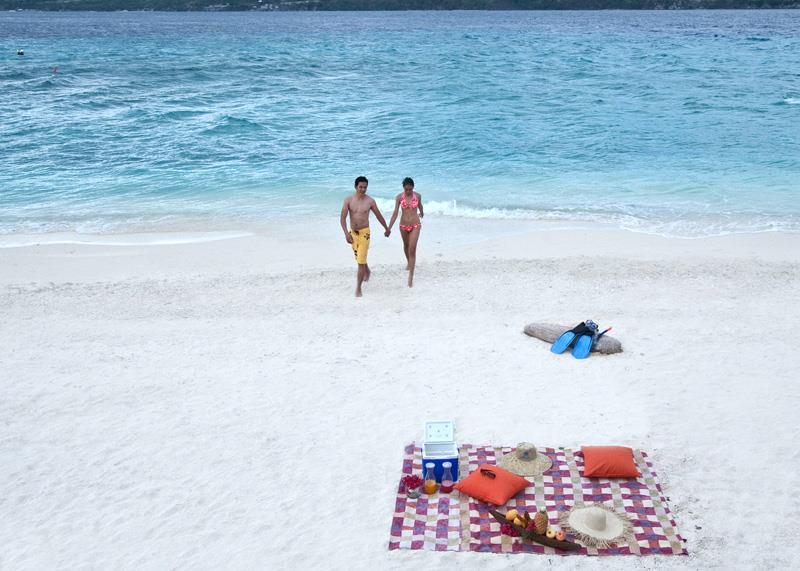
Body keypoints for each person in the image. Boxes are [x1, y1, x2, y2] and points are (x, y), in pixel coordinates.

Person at [340, 176, 390, 297]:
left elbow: (378, 215)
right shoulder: (348, 200)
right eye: (360, 187)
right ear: (355, 187)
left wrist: (386, 228)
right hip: (353, 233)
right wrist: (346, 234)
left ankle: (358, 288)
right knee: (359, 258)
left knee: (360, 261)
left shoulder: (370, 201)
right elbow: (342, 218)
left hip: (364, 233)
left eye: (365, 187)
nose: (363, 189)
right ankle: (367, 271)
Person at [387, 177, 424, 288]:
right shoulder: (399, 197)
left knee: (412, 249)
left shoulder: (417, 196)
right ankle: (409, 262)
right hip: (403, 225)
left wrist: (422, 213)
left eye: (410, 189)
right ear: (403, 188)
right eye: (406, 189)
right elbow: (395, 213)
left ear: (413, 187)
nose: (408, 191)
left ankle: (410, 277)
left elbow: (420, 206)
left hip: (415, 225)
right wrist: (389, 228)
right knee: (406, 246)